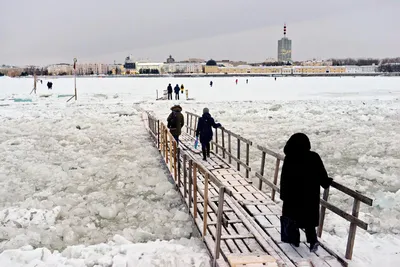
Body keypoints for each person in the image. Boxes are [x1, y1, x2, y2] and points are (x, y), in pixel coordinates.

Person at [279, 133, 333, 252]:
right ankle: (313, 241)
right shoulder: (313, 157)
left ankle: (294, 240)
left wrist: (284, 195)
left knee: (293, 219)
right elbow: (322, 176)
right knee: (309, 220)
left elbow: (284, 178)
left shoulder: (290, 158)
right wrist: (327, 181)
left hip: (292, 196)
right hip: (309, 197)